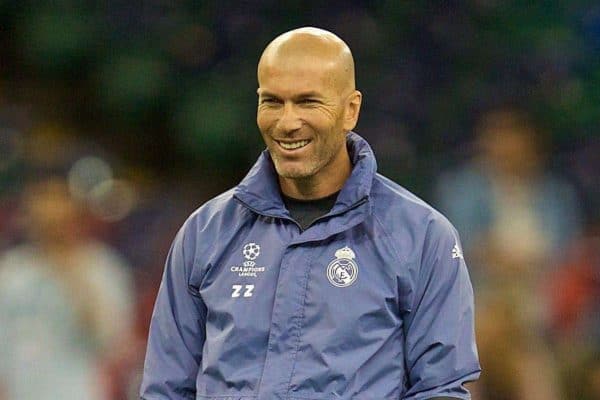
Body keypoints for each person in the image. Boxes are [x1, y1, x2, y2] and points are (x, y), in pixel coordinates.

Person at [141, 27, 480, 400]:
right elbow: (166, 389)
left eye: (307, 102)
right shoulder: (204, 233)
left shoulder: (422, 237)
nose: (286, 122)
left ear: (350, 110)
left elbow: (440, 389)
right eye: (272, 101)